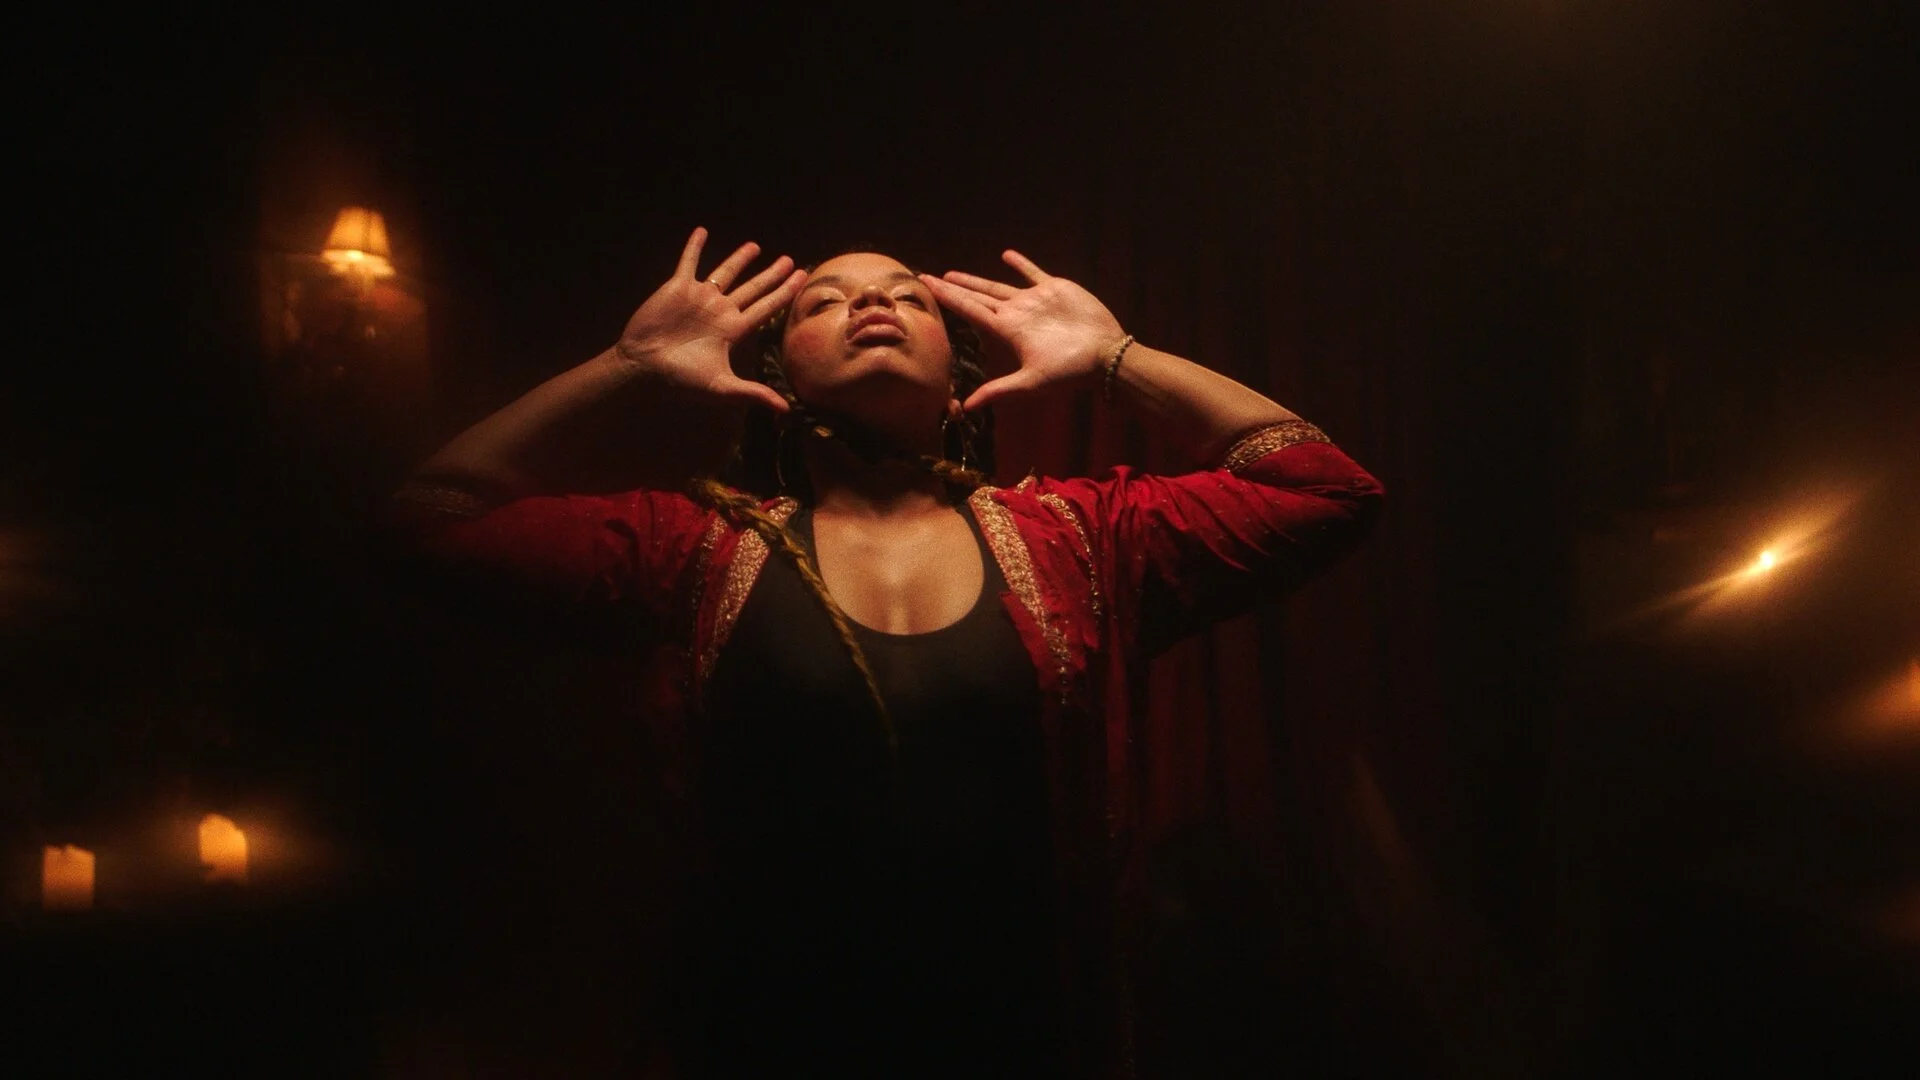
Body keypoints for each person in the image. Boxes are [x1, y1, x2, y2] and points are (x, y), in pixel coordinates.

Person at [394, 227, 1384, 1078]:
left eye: (907, 296)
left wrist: (1115, 357)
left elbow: (1324, 489)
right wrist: (627, 367)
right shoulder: (689, 551)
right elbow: (426, 522)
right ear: (775, 374)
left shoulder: (1085, 538)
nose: (872, 303)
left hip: (1029, 1037)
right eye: (824, 300)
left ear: (959, 375)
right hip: (764, 1039)